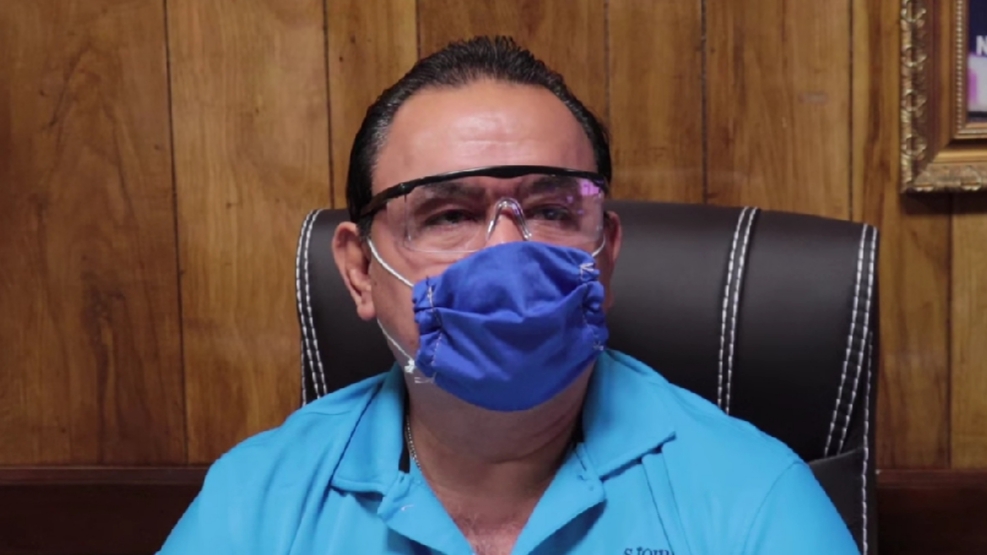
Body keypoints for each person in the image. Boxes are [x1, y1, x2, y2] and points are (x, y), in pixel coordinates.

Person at [158, 36, 859, 555]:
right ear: (360, 271)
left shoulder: (752, 498)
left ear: (606, 255)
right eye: (447, 215)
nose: (506, 254)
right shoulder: (257, 503)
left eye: (551, 211)